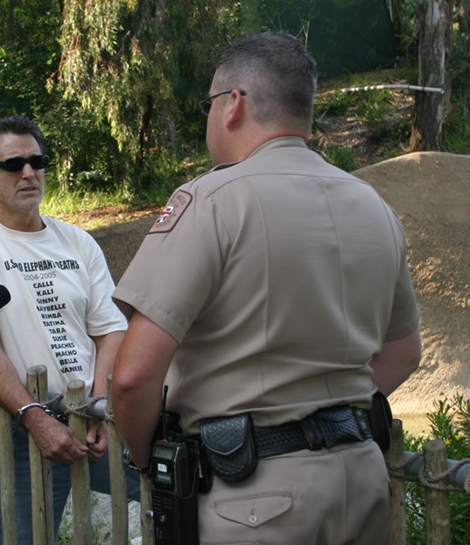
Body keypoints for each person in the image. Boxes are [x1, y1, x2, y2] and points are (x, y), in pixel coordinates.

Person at [111, 32, 421, 545]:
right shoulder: (374, 206)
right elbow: (403, 351)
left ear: (233, 105)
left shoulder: (211, 200)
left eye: (209, 103)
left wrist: (146, 461)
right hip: (362, 481)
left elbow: (133, 375)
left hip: (253, 499)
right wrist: (326, 416)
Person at [0, 115, 139, 545]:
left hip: (92, 419)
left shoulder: (78, 241)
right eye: (13, 165)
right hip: (19, 427)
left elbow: (110, 331)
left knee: (170, 496)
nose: (28, 172)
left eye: (37, 160)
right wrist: (34, 417)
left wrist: (99, 406)